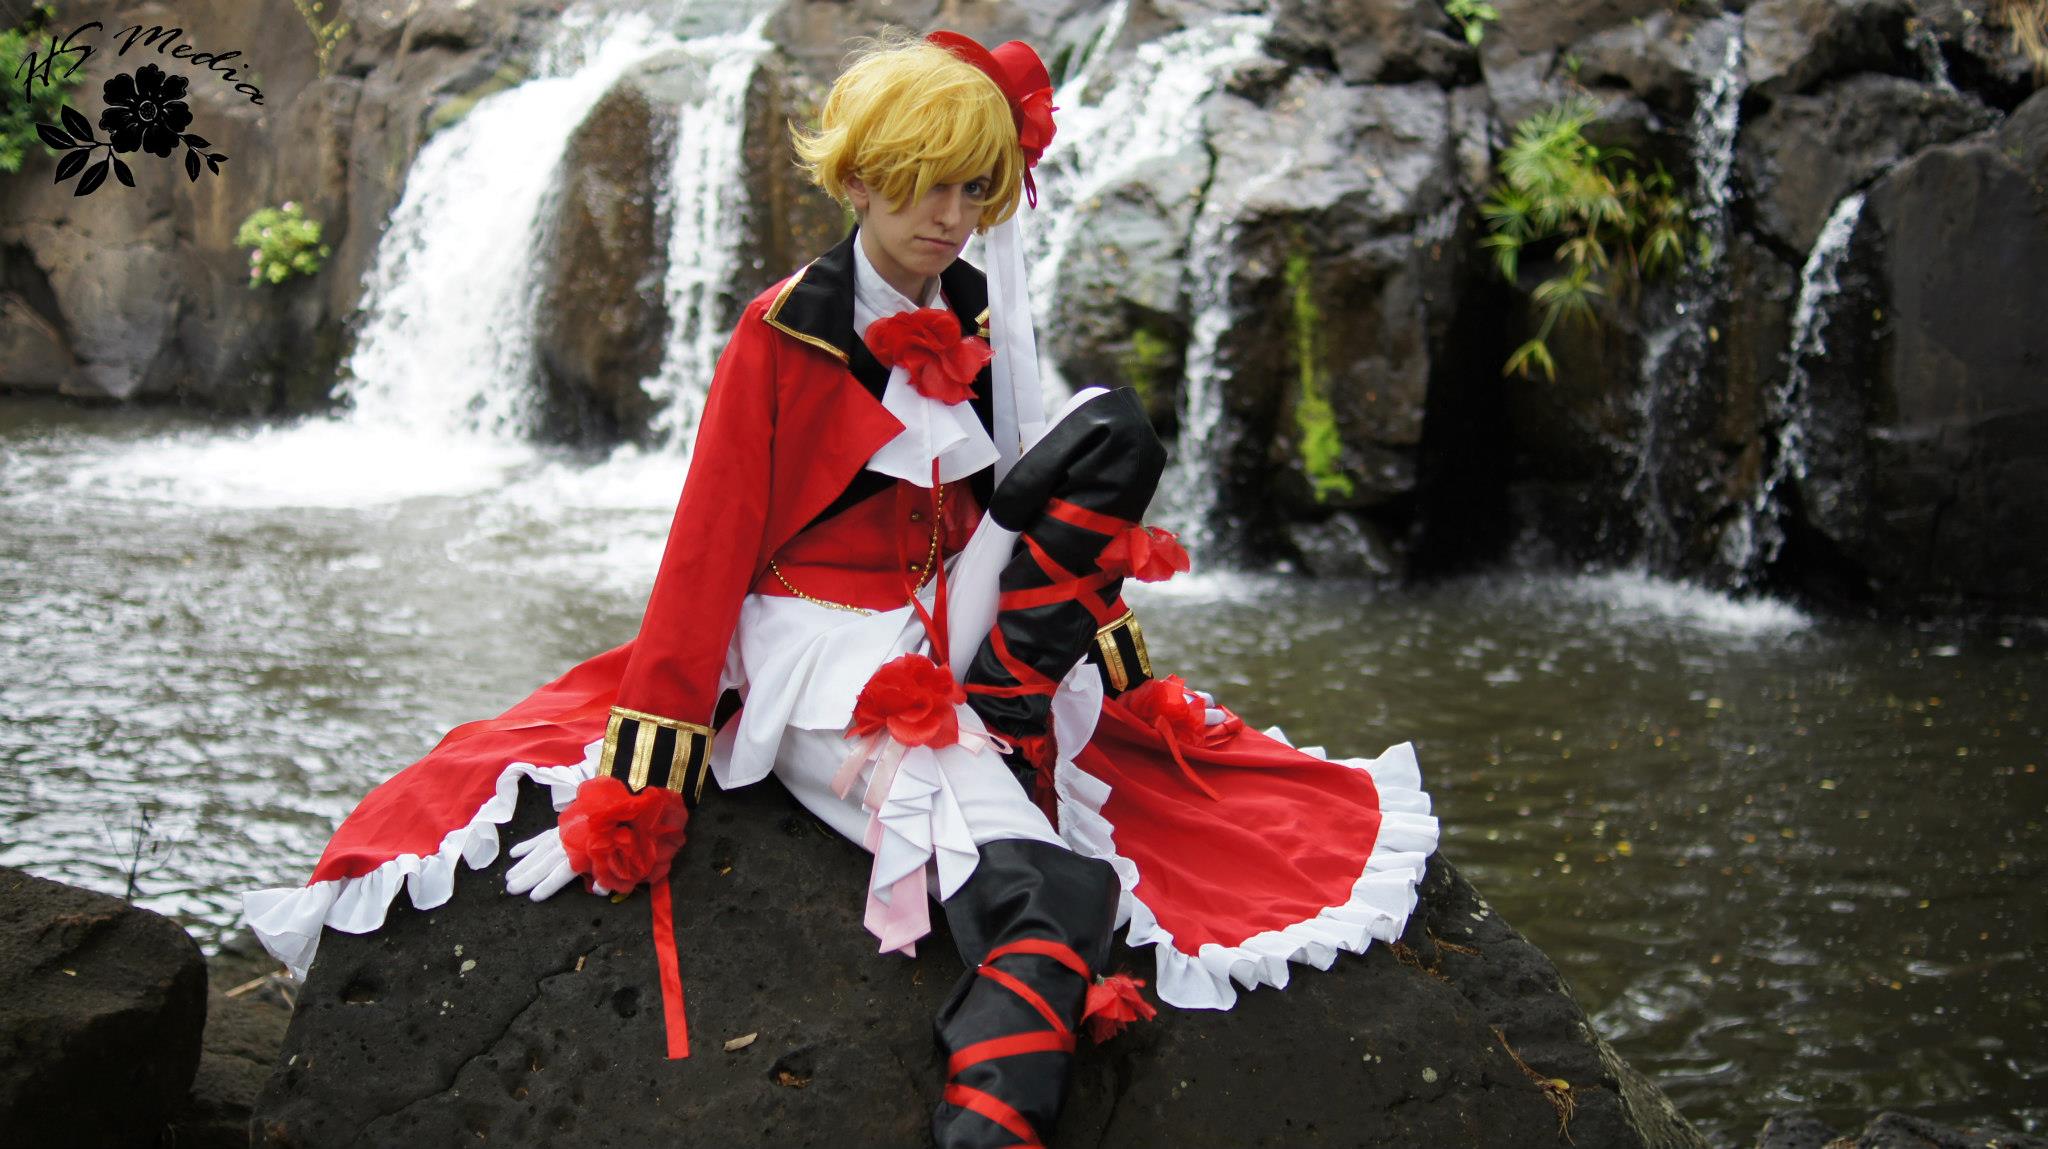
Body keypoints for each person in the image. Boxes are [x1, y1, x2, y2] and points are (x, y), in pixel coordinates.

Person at [244, 29, 1437, 1149]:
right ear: (858, 179)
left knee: (1112, 430)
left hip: (958, 609)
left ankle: (1010, 697)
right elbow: (706, 548)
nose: (950, 218)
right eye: (923, 186)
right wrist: (643, 774)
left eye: (972, 189)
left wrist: (1112, 661)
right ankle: (989, 1116)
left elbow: (1001, 499)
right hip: (826, 644)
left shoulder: (975, 308)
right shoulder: (783, 331)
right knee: (1050, 890)